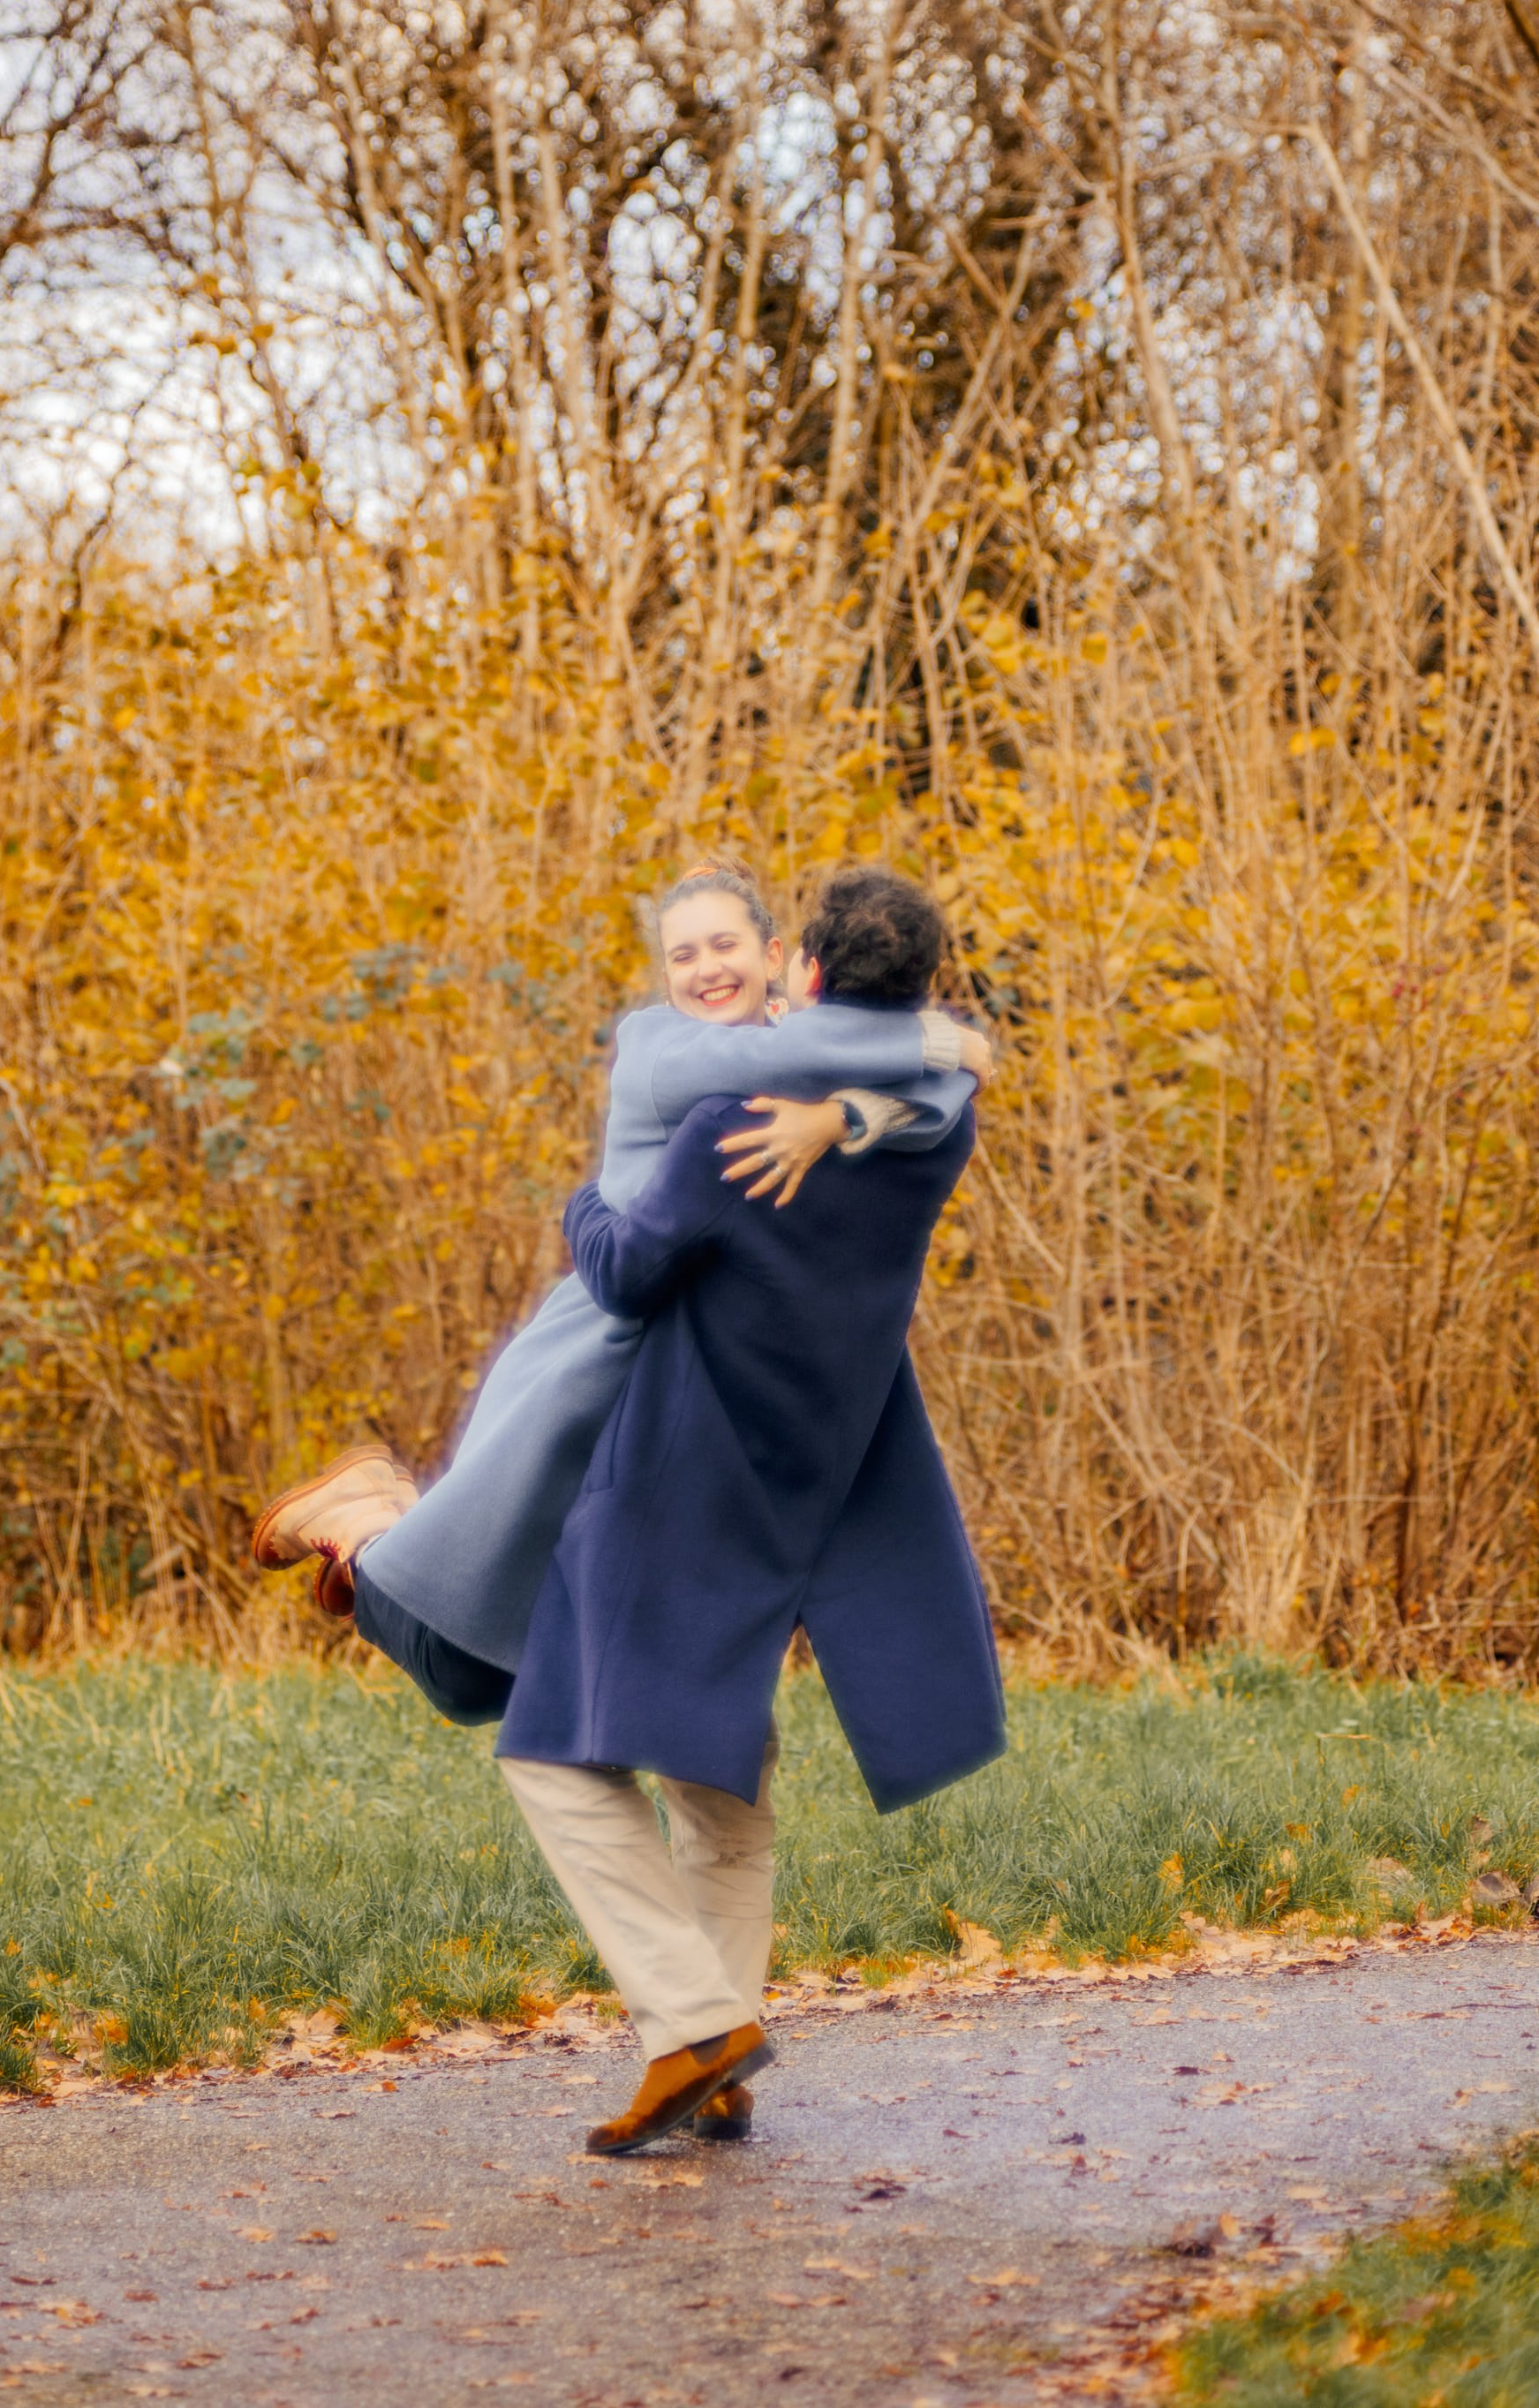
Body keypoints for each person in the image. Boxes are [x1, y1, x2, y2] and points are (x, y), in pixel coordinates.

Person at [494, 866, 1005, 2155]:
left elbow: (623, 1269)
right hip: (805, 1485)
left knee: (552, 1753)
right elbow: (947, 1075)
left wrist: (580, 1197)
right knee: (719, 1766)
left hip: (680, 1474)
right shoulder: (930, 1128)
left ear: (801, 974)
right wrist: (845, 1107)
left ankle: (693, 2022)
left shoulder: (732, 1121)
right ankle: (713, 2060)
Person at [253, 863, 988, 1713]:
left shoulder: (808, 1046)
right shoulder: (661, 1047)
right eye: (684, 956)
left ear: (778, 956)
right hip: (602, 1357)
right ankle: (358, 1521)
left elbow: (942, 1098)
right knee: (464, 1661)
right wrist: (943, 1040)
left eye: (725, 945)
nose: (706, 969)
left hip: (693, 1388)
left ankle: (396, 1529)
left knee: (542, 1672)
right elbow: (890, 1060)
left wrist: (844, 1117)